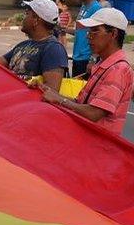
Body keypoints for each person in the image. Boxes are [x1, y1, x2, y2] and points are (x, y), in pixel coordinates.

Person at [41, 8, 132, 136]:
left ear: (113, 34)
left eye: (95, 31)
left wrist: (60, 100)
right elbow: (81, 103)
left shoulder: (118, 70)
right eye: (89, 31)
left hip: (98, 146)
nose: (88, 36)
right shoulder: (103, 65)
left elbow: (93, 113)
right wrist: (50, 92)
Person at [0, 0, 68, 91]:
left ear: (36, 20)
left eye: (27, 14)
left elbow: (51, 92)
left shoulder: (53, 49)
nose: (23, 17)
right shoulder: (23, 45)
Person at [66, 0, 101, 78]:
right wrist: (64, 29)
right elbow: (80, 31)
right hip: (77, 57)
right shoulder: (83, 7)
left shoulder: (96, 8)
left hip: (86, 59)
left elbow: (98, 35)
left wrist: (93, 59)